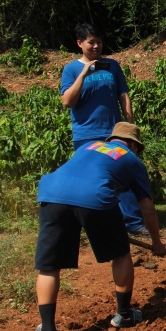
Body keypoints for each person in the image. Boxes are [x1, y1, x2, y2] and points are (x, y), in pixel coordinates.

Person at [33, 122, 166, 331]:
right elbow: (147, 208)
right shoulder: (133, 161)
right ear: (133, 144)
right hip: (95, 196)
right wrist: (157, 243)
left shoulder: (87, 146)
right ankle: (124, 315)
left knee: (49, 266)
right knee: (121, 254)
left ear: (112, 139)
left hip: (52, 193)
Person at [60, 22, 149, 236]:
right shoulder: (71, 69)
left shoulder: (112, 66)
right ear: (79, 43)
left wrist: (129, 124)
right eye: (91, 42)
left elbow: (123, 95)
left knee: (122, 175)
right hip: (85, 133)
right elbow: (67, 101)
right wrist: (83, 74)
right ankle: (91, 221)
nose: (96, 46)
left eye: (99, 42)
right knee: (88, 178)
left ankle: (133, 222)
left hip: (114, 134)